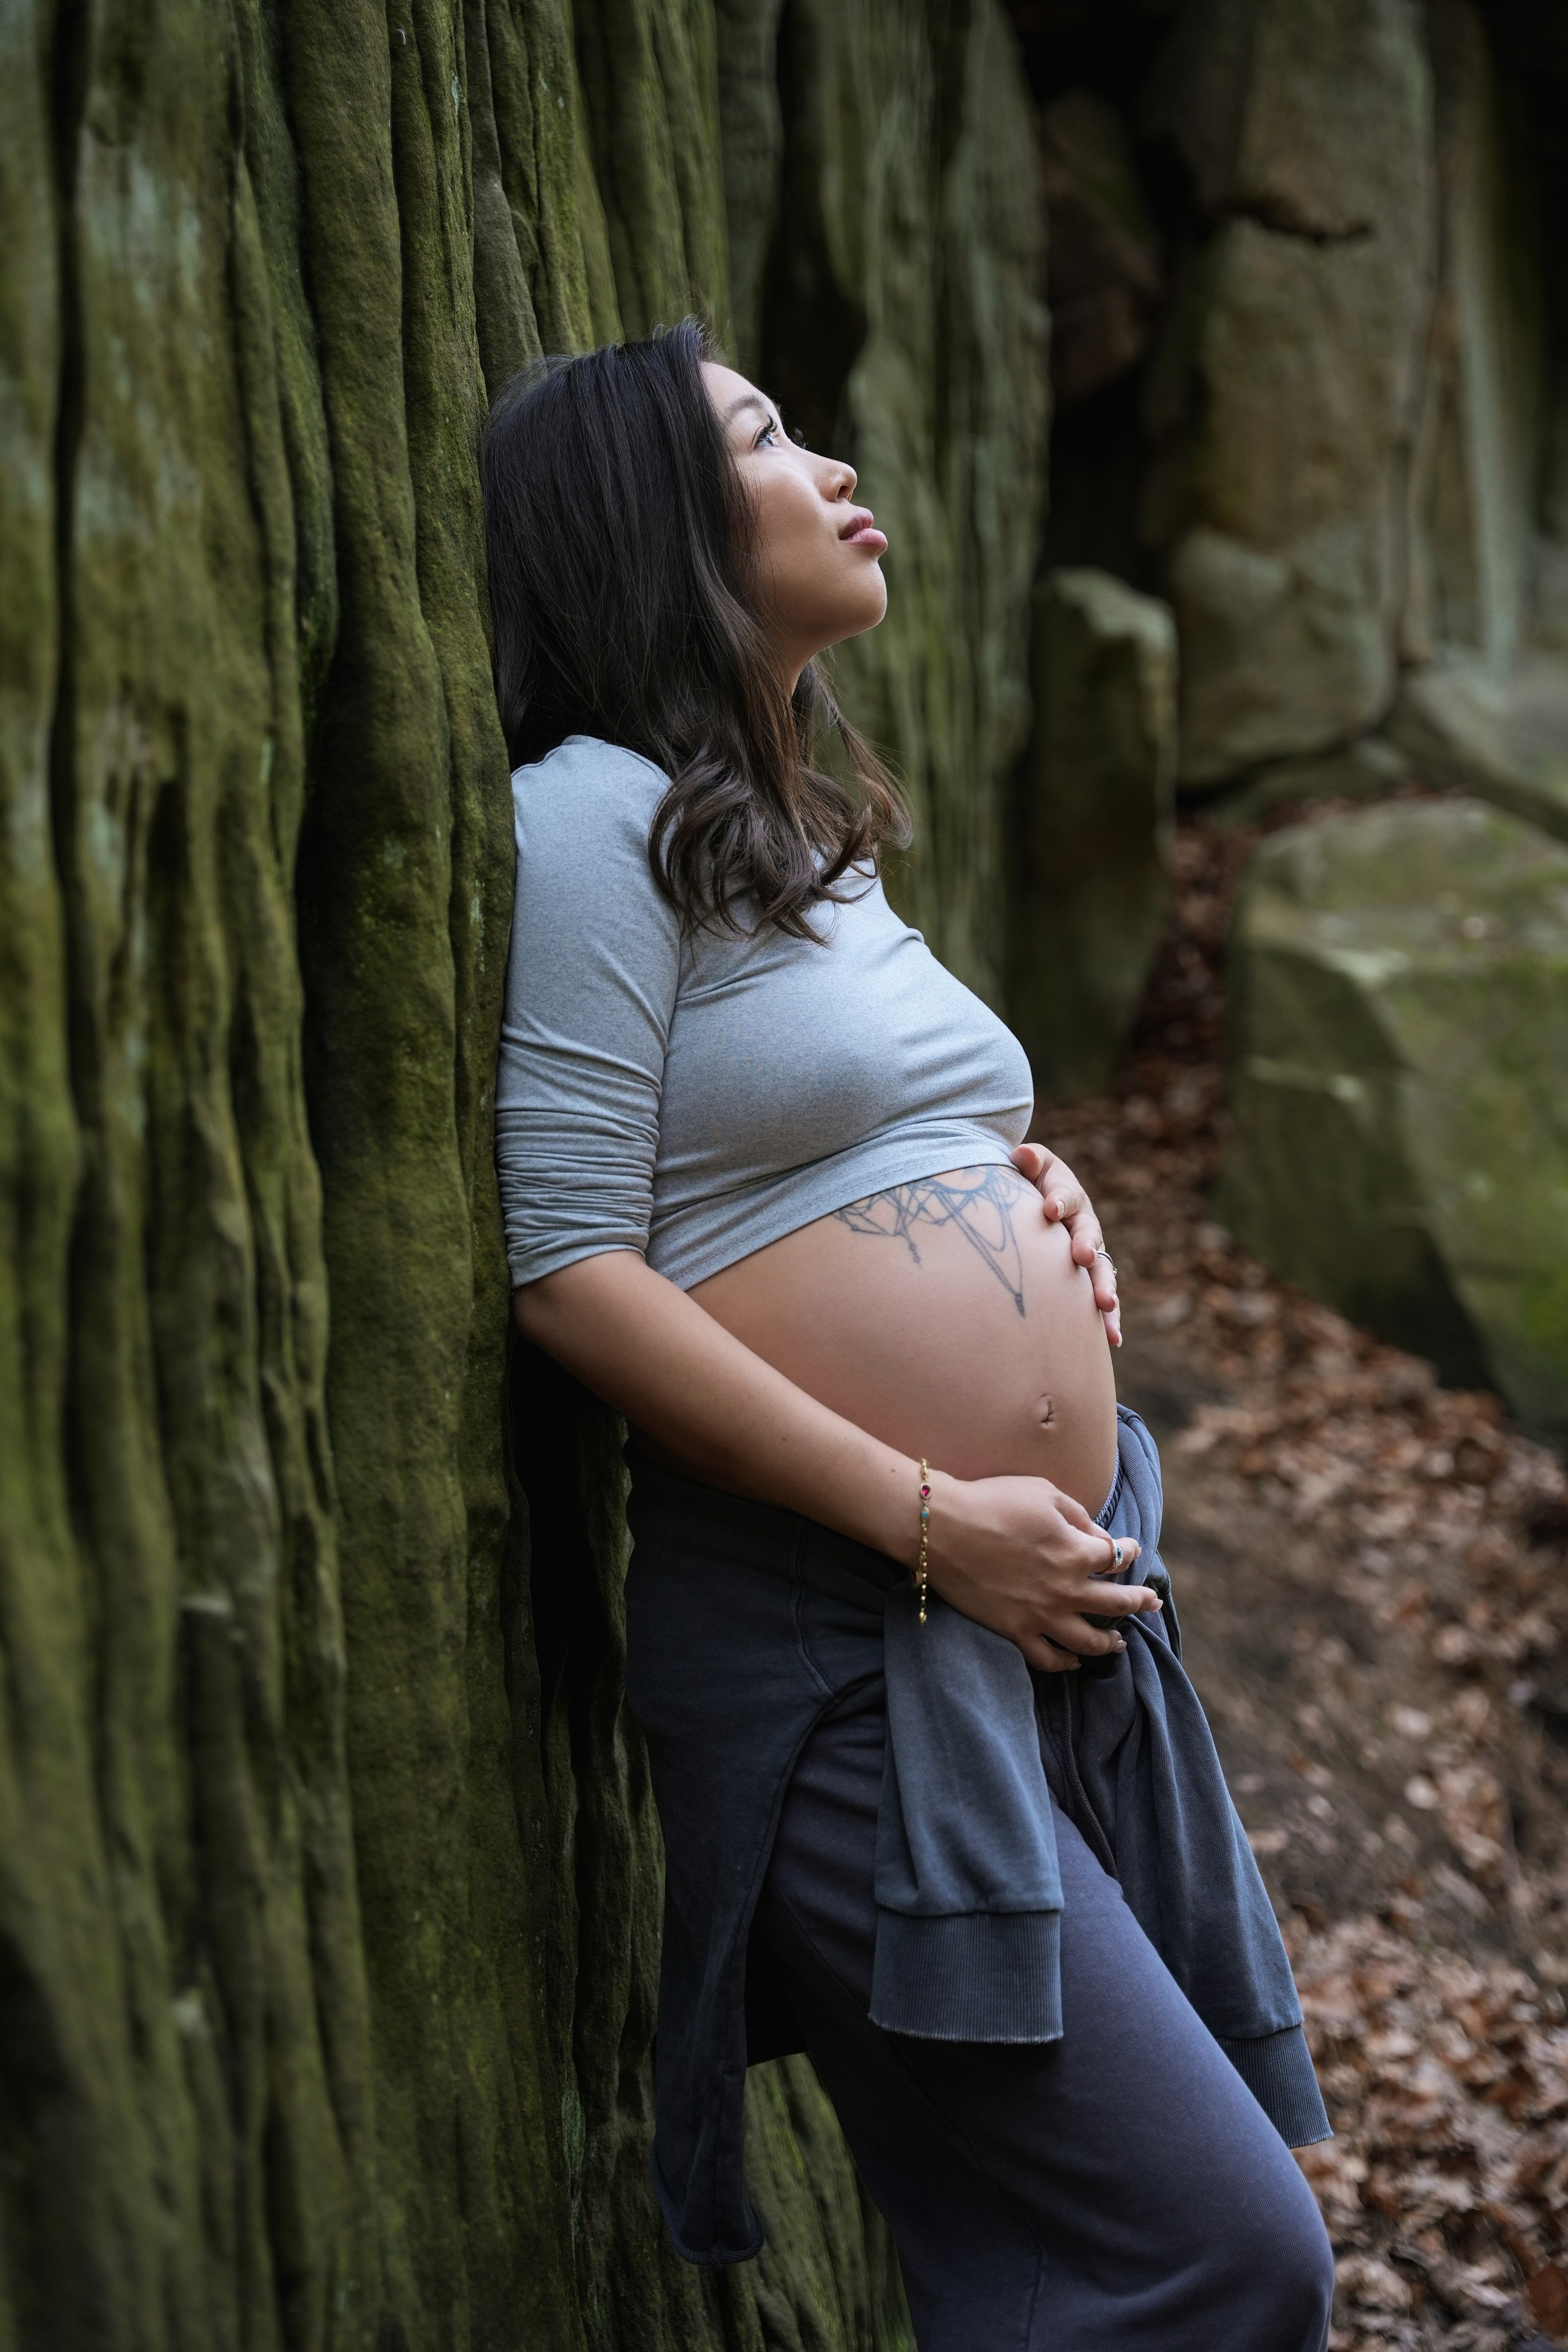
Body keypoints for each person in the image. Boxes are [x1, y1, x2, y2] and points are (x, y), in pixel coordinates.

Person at [481, 318, 1335, 2350]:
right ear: (654, 524)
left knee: (1078, 2276)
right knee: (1222, 2258)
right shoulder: (589, 822)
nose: (838, 462)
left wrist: (1047, 1201)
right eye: (768, 437)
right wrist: (935, 1508)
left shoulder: (799, 843)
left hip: (1014, 1640)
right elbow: (570, 1264)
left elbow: (925, 1129)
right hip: (840, 1656)